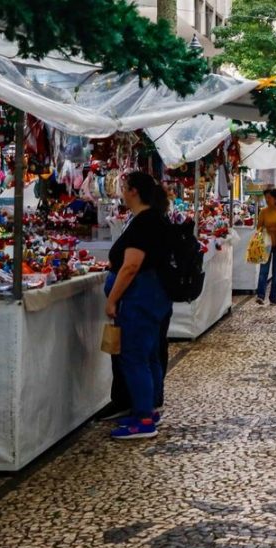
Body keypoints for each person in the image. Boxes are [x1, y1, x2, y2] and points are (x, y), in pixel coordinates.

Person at [104, 172, 172, 439]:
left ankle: (143, 418)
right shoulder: (156, 219)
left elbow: (131, 266)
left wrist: (112, 299)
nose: (121, 192)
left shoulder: (144, 223)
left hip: (139, 298)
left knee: (134, 357)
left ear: (133, 191)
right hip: (155, 297)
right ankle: (150, 408)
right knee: (150, 354)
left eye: (123, 187)